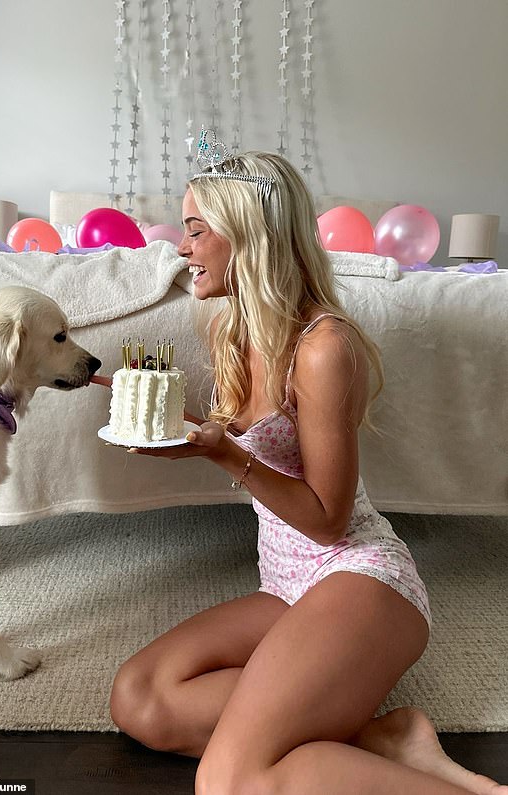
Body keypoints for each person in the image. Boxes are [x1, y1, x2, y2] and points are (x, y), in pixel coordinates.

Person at [109, 135, 506, 795]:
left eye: (197, 230)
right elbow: (232, 438)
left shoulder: (324, 348)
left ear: (249, 236)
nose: (181, 248)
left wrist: (225, 453)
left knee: (230, 779)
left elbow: (327, 520)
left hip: (356, 574)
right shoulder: (234, 328)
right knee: (140, 697)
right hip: (288, 586)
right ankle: (385, 736)